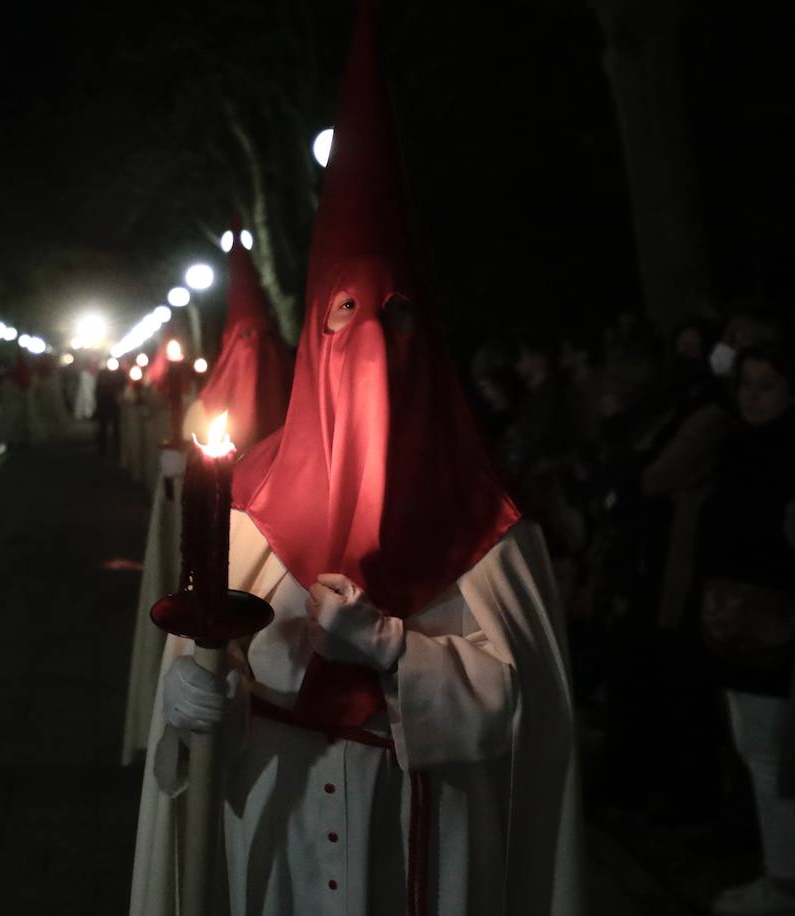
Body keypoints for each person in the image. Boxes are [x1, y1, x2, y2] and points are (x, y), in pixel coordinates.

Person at [130, 4, 581, 913]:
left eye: (399, 317)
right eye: (345, 317)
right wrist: (188, 703)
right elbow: (201, 707)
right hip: (279, 831)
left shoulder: (486, 522)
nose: (372, 342)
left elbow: (532, 720)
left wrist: (390, 651)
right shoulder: (249, 501)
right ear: (315, 340)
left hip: (433, 836)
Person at [123, 220, 293, 764]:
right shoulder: (209, 403)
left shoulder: (295, 394)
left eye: (258, 341)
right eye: (240, 342)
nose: (251, 354)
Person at [698, 342, 795, 916]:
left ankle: (783, 882)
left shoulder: (776, 452)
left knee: (769, 754)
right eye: (747, 384)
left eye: (767, 384)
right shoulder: (743, 446)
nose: (753, 396)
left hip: (770, 623)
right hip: (741, 621)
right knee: (757, 747)